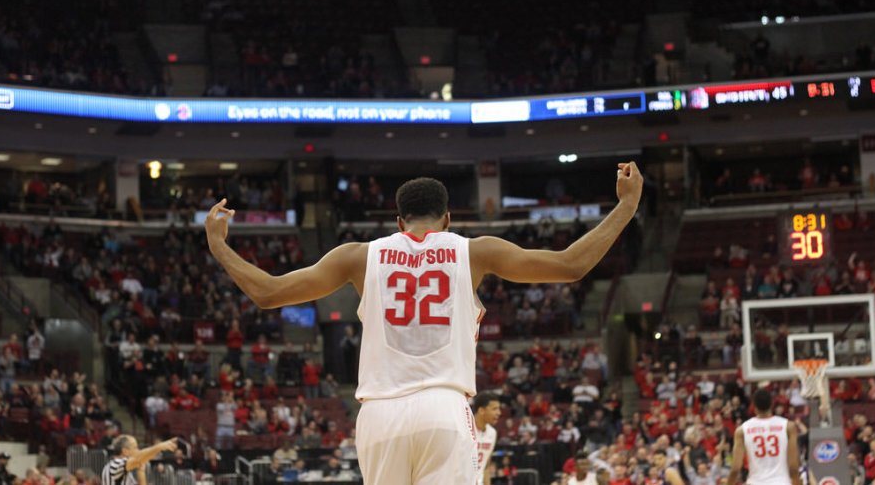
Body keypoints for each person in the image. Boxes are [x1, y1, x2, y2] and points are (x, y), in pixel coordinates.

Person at [205, 164, 643, 484]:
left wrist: (219, 246)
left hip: (377, 415)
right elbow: (571, 265)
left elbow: (267, 292)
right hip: (442, 407)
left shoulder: (359, 255)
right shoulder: (474, 250)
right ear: (448, 219)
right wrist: (626, 206)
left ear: (397, 223)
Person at [727, 388, 802, 485]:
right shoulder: (788, 426)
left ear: (753, 406)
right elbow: (793, 467)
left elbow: (735, 469)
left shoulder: (742, 430)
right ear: (772, 404)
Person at [101, 436, 177, 485]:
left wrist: (141, 471)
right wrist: (159, 447)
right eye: (135, 447)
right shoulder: (114, 465)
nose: (138, 450)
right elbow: (139, 457)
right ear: (125, 451)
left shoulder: (126, 472)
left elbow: (141, 457)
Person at [473, 393, 501, 485]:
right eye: (494, 409)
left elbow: (486, 466)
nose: (499, 413)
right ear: (481, 410)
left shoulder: (492, 433)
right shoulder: (465, 428)